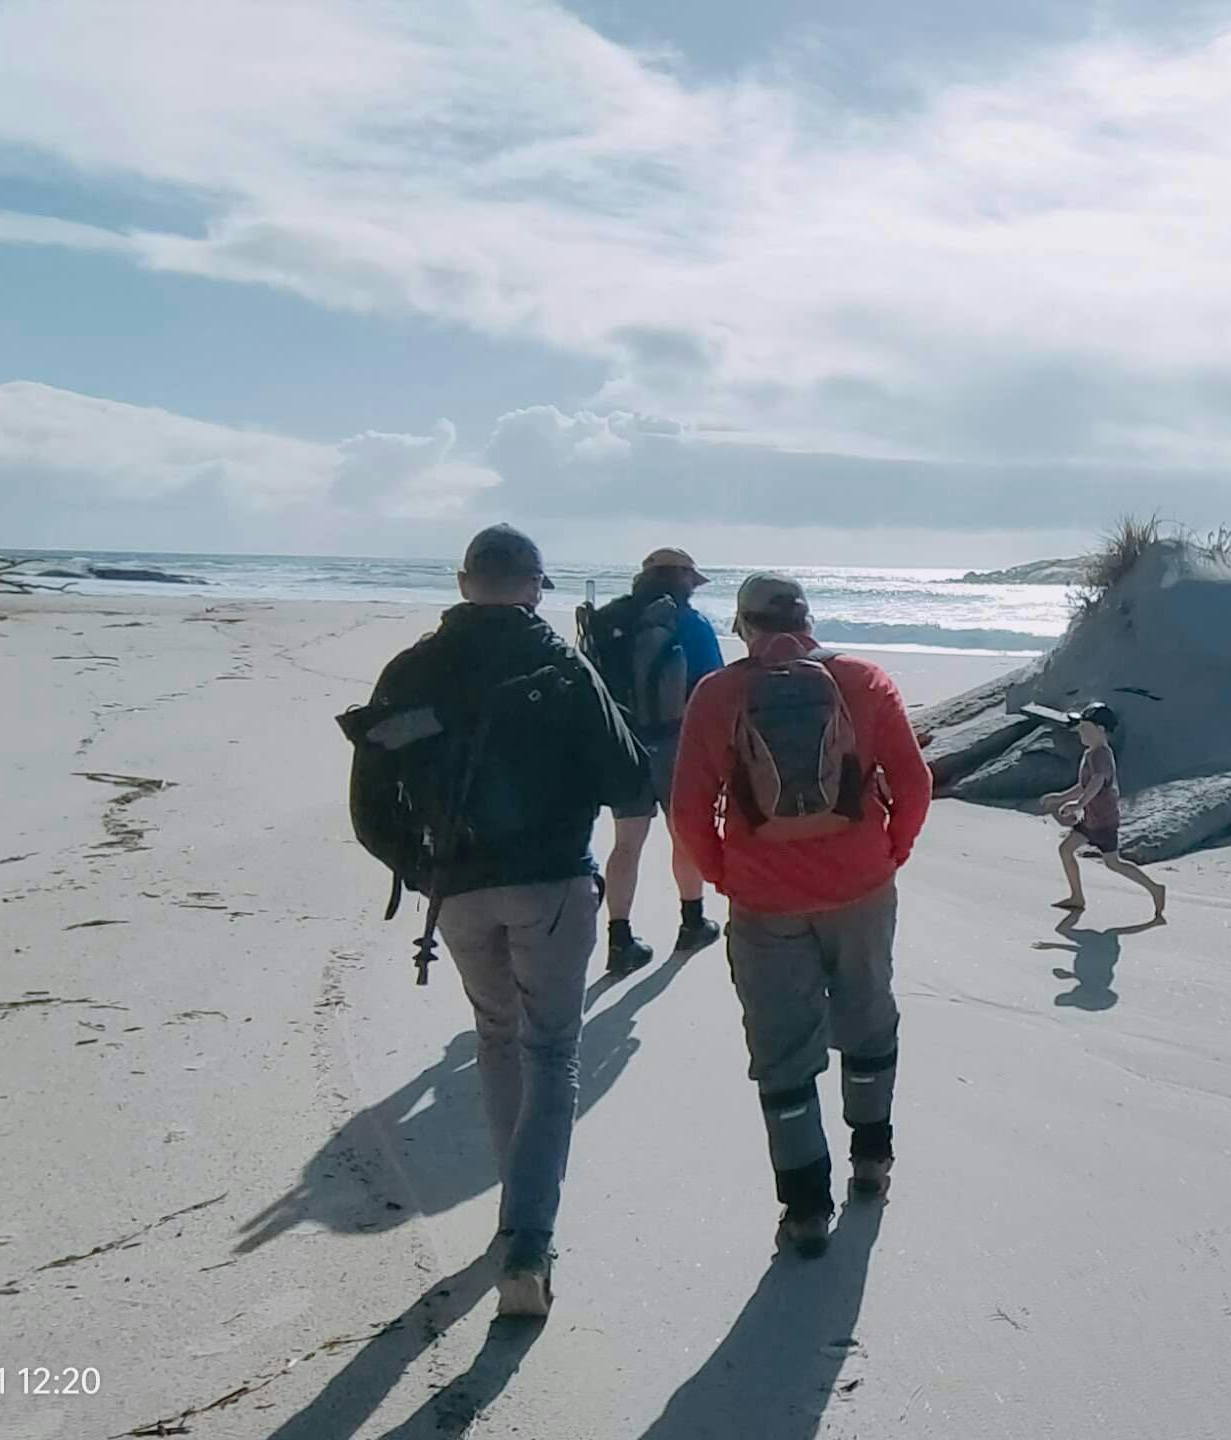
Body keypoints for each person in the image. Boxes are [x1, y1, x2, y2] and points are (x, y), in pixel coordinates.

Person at [345, 524, 648, 1317]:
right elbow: (628, 778)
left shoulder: (409, 669)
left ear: (461, 581)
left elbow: (369, 808)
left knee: (496, 1038)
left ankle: (518, 1224)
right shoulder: (560, 664)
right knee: (552, 1053)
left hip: (458, 891)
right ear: (535, 585)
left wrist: (422, 872)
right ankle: (526, 1240)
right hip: (551, 884)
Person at [668, 573, 933, 1257]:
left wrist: (730, 876)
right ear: (808, 620)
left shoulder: (719, 694)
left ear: (743, 627)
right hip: (862, 887)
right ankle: (872, 1161)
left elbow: (690, 811)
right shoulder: (865, 680)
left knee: (782, 1051)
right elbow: (913, 782)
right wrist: (890, 853)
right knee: (869, 1014)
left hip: (764, 900)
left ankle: (806, 1209)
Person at [586, 547, 727, 972]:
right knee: (682, 834)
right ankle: (692, 922)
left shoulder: (609, 617)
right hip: (675, 743)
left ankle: (620, 938)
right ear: (684, 578)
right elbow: (711, 687)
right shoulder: (690, 622)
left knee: (626, 843)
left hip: (623, 744)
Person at [1041, 703, 1167, 920]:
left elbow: (1096, 783)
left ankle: (1155, 888)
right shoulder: (1091, 753)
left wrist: (1078, 804)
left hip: (1102, 820)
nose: (1080, 732)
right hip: (1091, 818)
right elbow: (1084, 785)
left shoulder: (1100, 754)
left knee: (1113, 863)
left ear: (1100, 729)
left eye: (1085, 728)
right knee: (1066, 849)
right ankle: (1077, 897)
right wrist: (1060, 798)